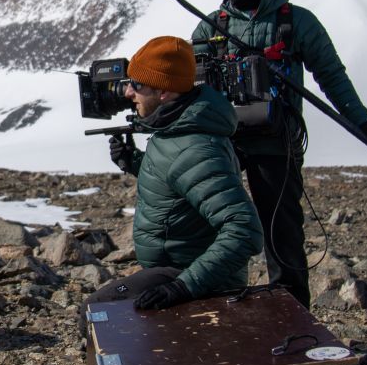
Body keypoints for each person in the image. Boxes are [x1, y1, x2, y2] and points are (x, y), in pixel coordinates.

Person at [188, 0, 367, 307]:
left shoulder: (297, 22)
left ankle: (295, 325)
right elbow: (188, 86)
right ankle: (211, 313)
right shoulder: (210, 28)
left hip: (276, 145)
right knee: (205, 225)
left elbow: (332, 77)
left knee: (281, 236)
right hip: (224, 143)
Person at [90, 36, 265, 312]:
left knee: (98, 309)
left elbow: (245, 230)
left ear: (164, 92)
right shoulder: (176, 126)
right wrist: (134, 162)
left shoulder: (195, 146)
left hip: (197, 277)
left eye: (136, 85)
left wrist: (183, 287)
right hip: (176, 270)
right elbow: (179, 180)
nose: (127, 93)